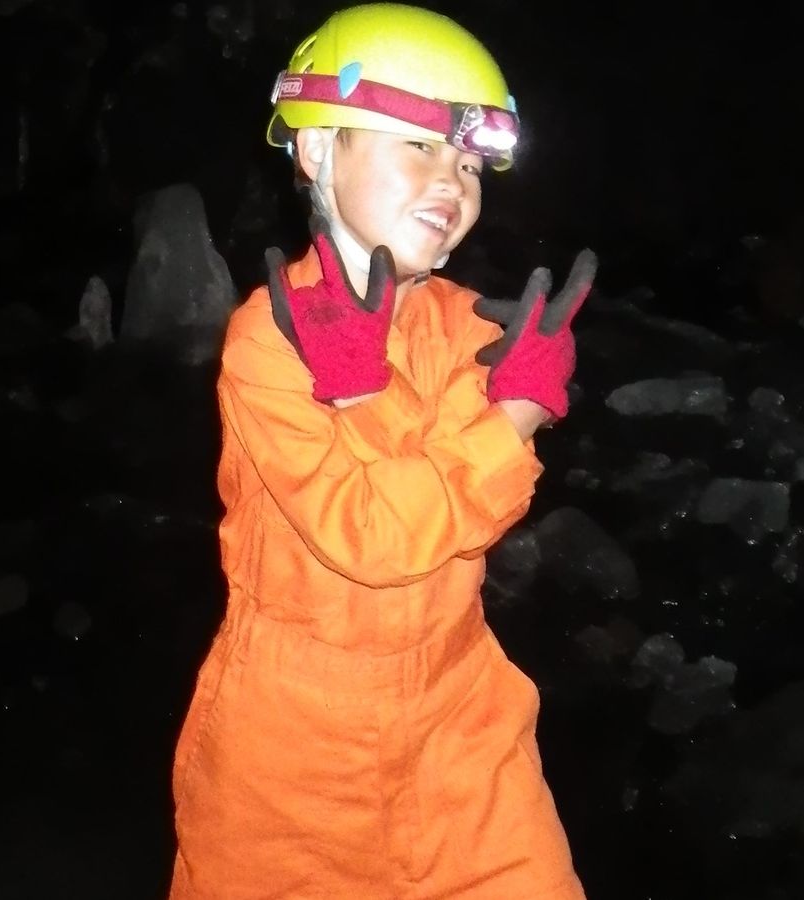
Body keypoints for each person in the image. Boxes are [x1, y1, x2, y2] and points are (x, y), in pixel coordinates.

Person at [167, 4, 596, 897]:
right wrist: (515, 416)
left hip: (461, 724)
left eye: (469, 164)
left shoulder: (469, 328)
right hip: (290, 754)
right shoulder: (271, 338)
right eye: (421, 147)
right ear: (318, 149)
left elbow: (458, 518)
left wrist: (489, 401)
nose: (454, 183)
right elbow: (374, 539)